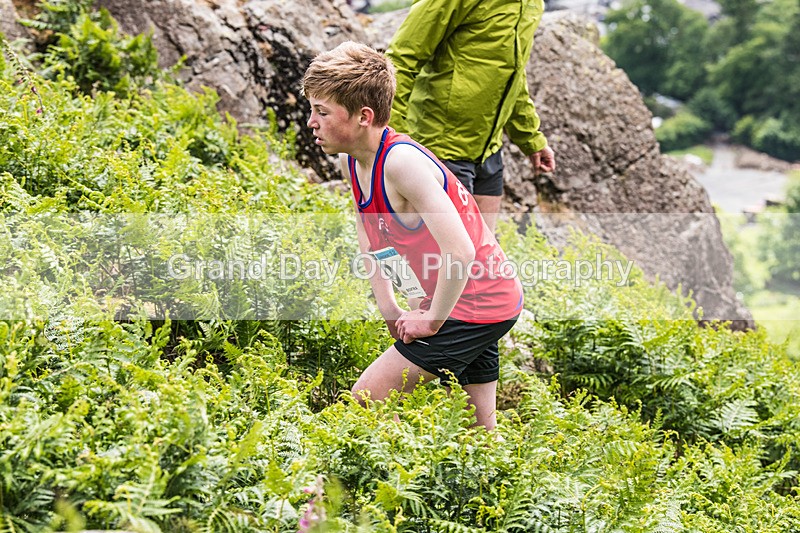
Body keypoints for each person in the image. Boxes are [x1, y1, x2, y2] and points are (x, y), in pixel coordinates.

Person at [302, 41, 524, 430]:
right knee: (478, 433)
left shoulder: (402, 164)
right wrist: (392, 305)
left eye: (322, 111)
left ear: (364, 116)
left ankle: (361, 472)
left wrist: (432, 320)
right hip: (464, 296)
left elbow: (461, 251)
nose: (311, 122)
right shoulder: (354, 160)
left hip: (477, 300)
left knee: (367, 398)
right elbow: (374, 234)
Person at [386, 0, 557, 233]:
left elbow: (512, 74)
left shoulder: (532, 3)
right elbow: (400, 61)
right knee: (446, 251)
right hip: (441, 146)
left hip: (489, 151)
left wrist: (531, 139)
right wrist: (396, 143)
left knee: (484, 250)